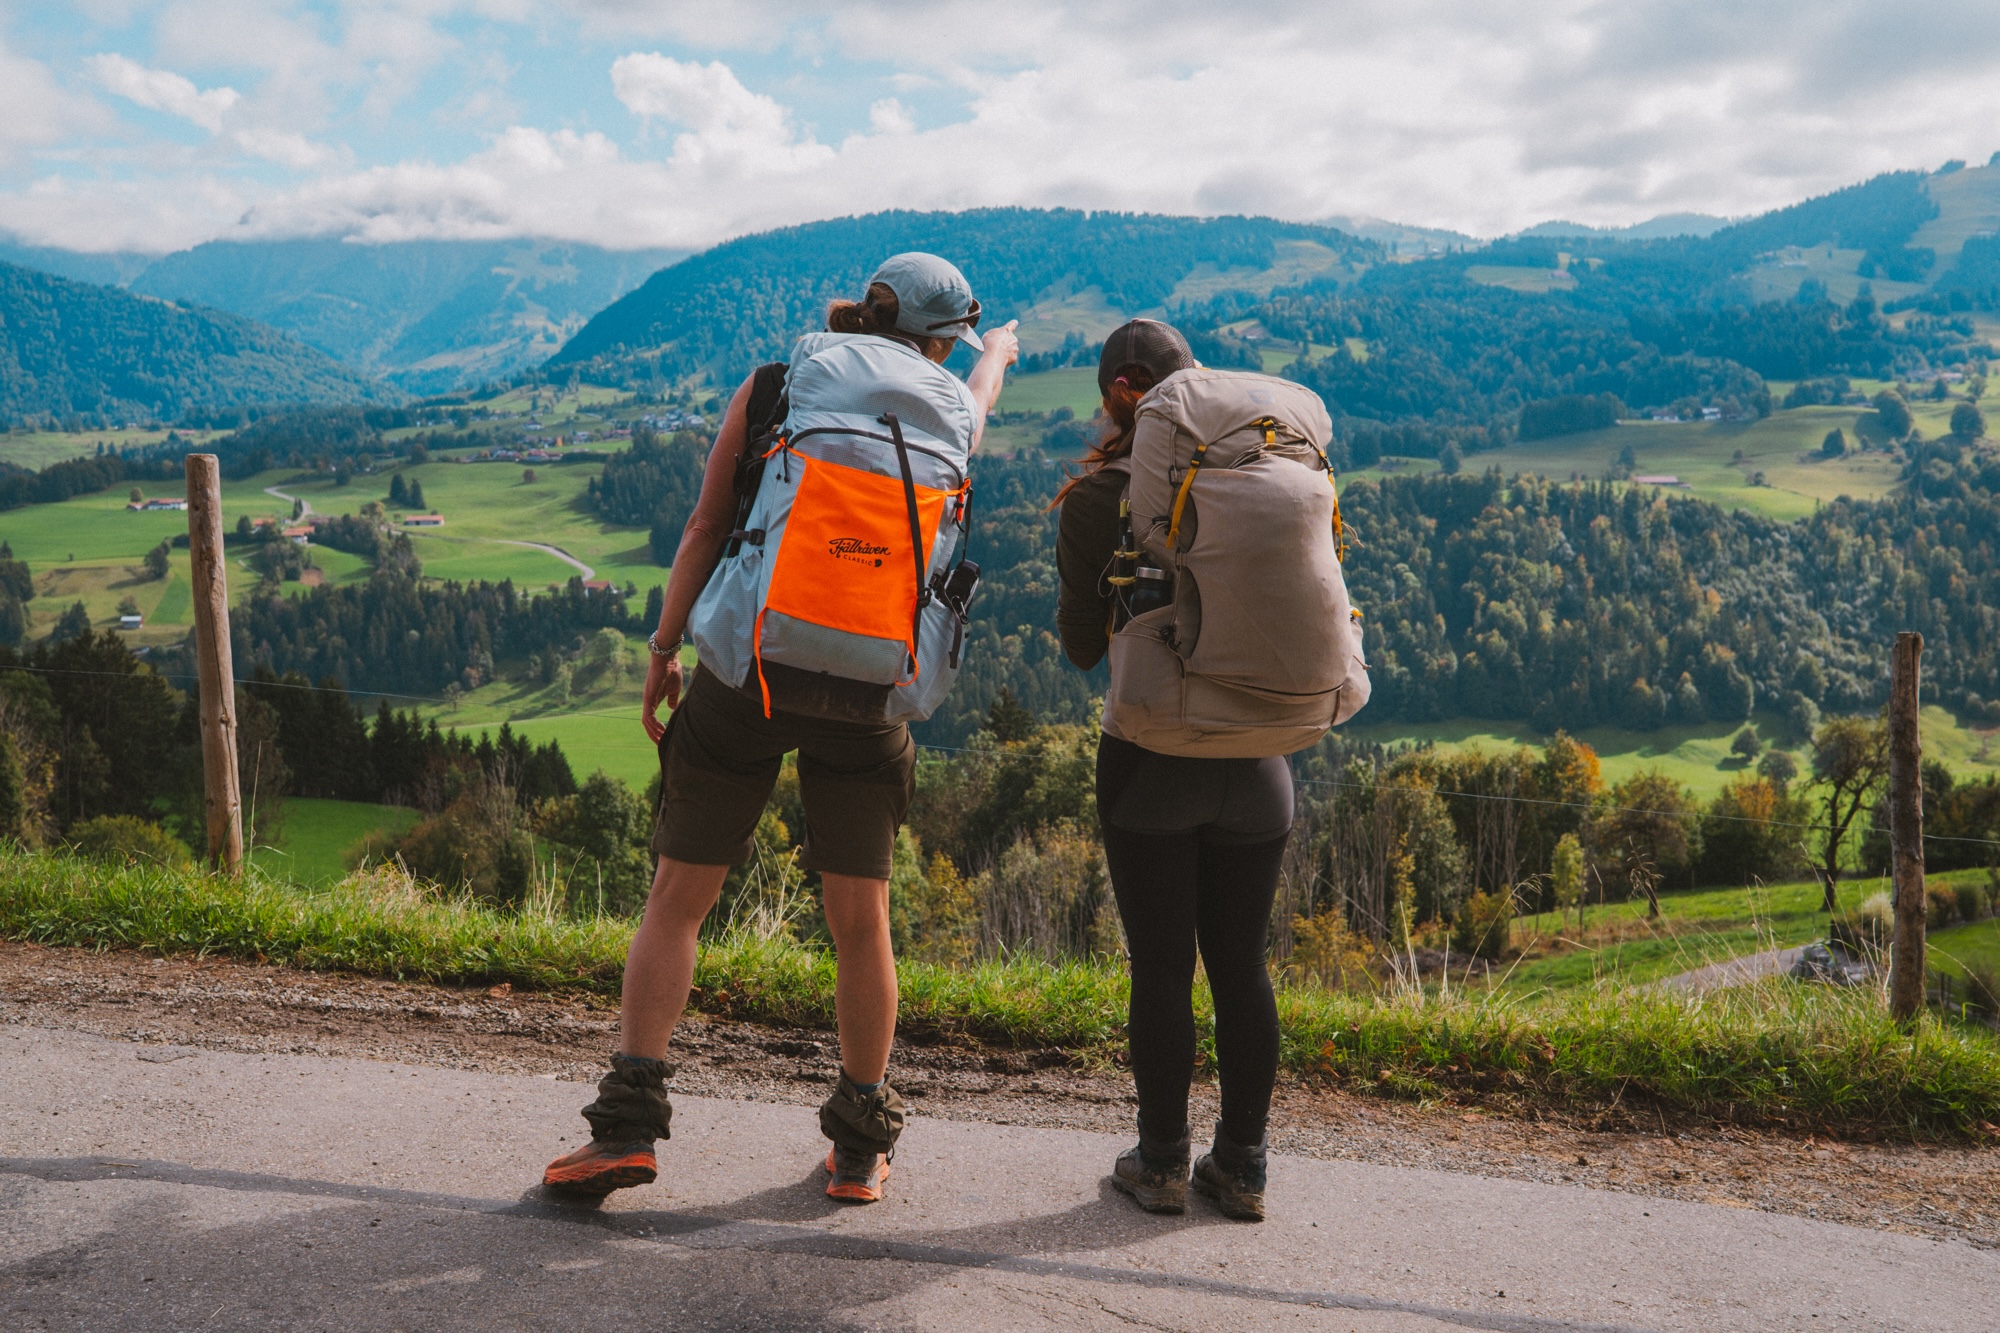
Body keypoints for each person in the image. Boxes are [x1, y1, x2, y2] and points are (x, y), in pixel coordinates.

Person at [543, 253, 1018, 1204]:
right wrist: (996, 352)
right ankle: (858, 1144)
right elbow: (979, 392)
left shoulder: (777, 384)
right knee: (860, 921)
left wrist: (664, 648)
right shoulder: (957, 411)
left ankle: (626, 1129)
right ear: (938, 342)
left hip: (746, 671)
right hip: (873, 685)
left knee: (679, 897)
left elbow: (704, 527)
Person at [1056, 319, 1303, 1223]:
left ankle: (1160, 1160)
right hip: (1261, 765)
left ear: (1118, 392)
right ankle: (1242, 1166)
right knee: (1241, 965)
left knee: (1162, 966)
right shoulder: (1254, 481)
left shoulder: (1098, 502)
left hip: (1153, 758)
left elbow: (1085, 648)